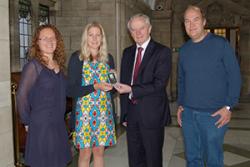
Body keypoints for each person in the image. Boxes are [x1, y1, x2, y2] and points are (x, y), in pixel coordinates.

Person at [177, 5, 241, 167]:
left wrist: (228, 106)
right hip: (189, 115)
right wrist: (180, 105)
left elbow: (235, 76)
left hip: (213, 116)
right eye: (187, 21)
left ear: (204, 21)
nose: (191, 25)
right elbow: (182, 79)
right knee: (192, 159)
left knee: (213, 161)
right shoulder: (184, 50)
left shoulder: (221, 44)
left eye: (195, 20)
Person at [114, 13, 172, 167]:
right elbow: (126, 82)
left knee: (152, 160)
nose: (138, 33)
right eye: (133, 30)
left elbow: (159, 83)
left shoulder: (162, 52)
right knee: (135, 159)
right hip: (132, 116)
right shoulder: (127, 52)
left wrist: (131, 89)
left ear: (149, 28)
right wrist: (124, 114)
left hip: (152, 115)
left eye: (142, 28)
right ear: (130, 32)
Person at [16, 24, 71, 167]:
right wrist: (27, 121)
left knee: (58, 162)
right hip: (42, 125)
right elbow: (21, 95)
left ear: (57, 41)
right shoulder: (34, 66)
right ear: (37, 42)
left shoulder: (60, 66)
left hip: (58, 124)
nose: (49, 41)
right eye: (44, 38)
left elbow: (67, 91)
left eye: (52, 38)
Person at [66, 22, 116, 167]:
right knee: (85, 154)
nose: (94, 39)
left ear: (102, 38)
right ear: (85, 38)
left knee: (99, 152)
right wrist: (95, 86)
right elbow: (70, 90)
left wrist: (113, 83)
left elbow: (112, 91)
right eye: (91, 35)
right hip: (84, 115)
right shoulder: (77, 58)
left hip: (103, 113)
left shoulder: (108, 58)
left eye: (98, 35)